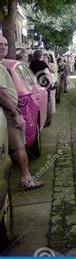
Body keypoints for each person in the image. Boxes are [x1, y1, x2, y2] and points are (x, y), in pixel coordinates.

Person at [0, 35, 44, 190]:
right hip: (8, 113)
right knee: (20, 147)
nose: (3, 47)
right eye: (0, 44)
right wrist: (16, 114)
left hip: (8, 112)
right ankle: (26, 179)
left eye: (5, 44)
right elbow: (1, 93)